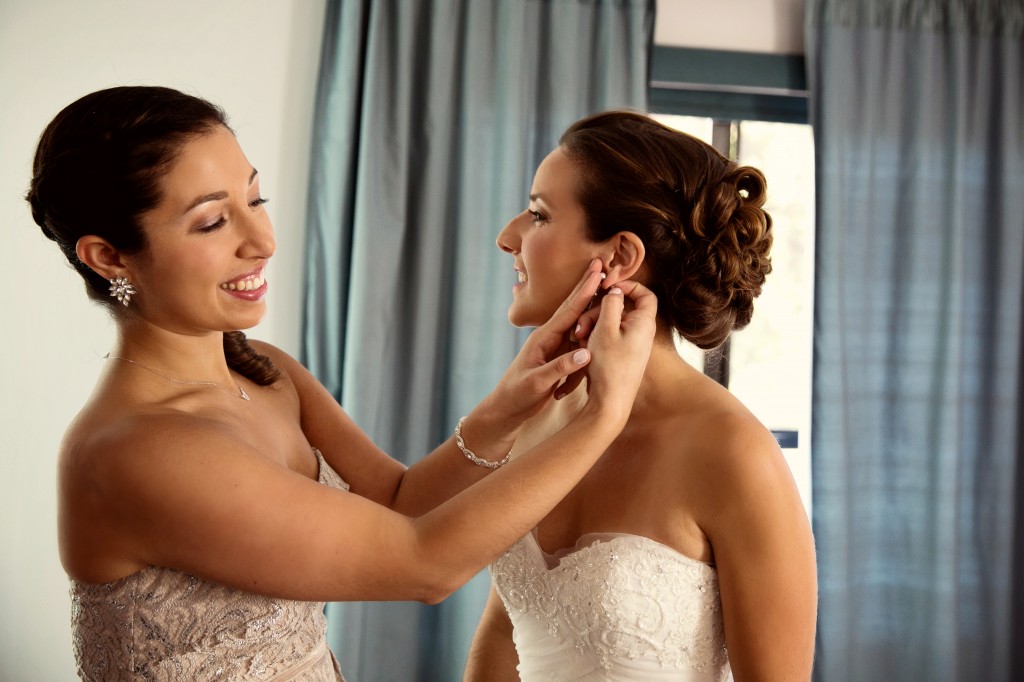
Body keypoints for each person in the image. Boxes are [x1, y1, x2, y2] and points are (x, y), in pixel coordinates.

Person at [27, 86, 658, 681]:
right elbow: (424, 563)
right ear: (109, 256)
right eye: (213, 222)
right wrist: (602, 416)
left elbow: (401, 502)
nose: (262, 241)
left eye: (255, 200)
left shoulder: (266, 370)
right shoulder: (137, 450)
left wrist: (510, 402)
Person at [464, 111, 817, 681]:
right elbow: (505, 632)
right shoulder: (538, 413)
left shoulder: (734, 454)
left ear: (621, 257)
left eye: (538, 214)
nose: (508, 236)